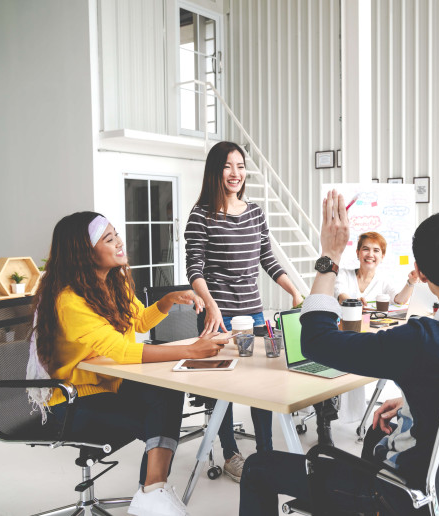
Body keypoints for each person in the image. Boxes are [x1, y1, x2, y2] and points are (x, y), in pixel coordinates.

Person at [239, 192, 439, 515]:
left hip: (405, 492)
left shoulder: (420, 341)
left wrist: (330, 256)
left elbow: (317, 341)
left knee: (257, 467)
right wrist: (415, 400)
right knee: (377, 430)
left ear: (422, 273)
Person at [31, 211, 227, 516]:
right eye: (109, 239)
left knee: (167, 390)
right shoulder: (68, 300)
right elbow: (121, 351)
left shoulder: (112, 283)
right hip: (70, 401)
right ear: (84, 252)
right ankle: (152, 493)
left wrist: (167, 301)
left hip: (105, 385)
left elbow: (138, 322)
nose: (119, 242)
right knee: (156, 412)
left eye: (116, 234)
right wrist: (191, 350)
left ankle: (152, 491)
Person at [185, 140, 306, 480]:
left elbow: (267, 258)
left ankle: (265, 453)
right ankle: (230, 453)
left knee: (259, 385)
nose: (235, 173)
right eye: (228, 166)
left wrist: (294, 290)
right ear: (215, 171)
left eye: (240, 165)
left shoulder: (254, 212)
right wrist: (210, 306)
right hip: (218, 316)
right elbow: (194, 268)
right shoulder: (201, 216)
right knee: (222, 386)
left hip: (253, 314)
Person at [335, 231, 418, 305]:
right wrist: (355, 304)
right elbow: (340, 294)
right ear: (358, 253)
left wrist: (411, 281)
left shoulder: (383, 281)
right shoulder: (343, 274)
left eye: (376, 250)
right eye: (366, 249)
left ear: (382, 256)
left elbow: (399, 300)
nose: (370, 255)